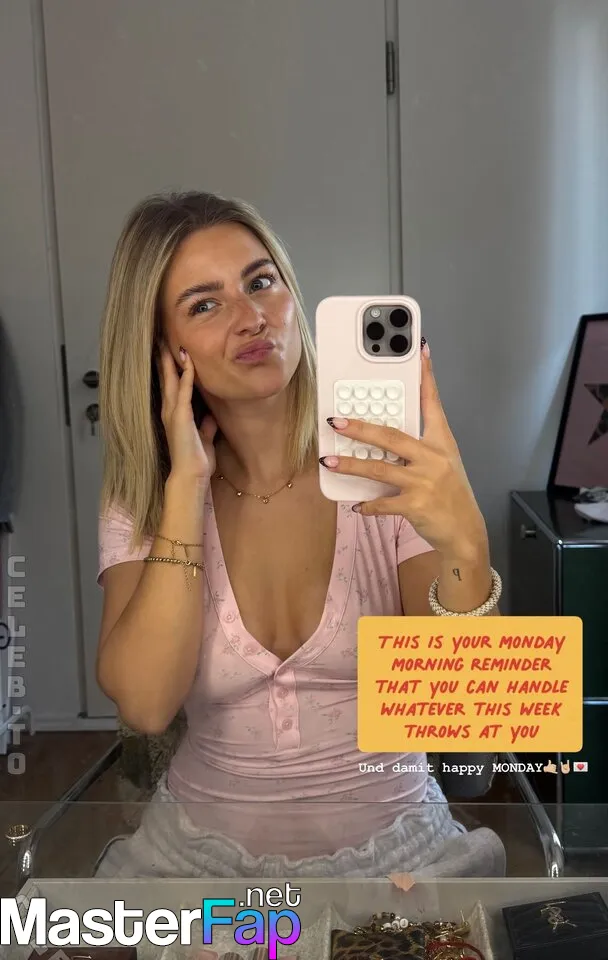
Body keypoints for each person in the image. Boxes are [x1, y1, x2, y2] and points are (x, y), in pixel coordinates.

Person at [93, 190, 505, 879]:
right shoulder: (143, 493)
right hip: (195, 866)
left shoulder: (383, 462)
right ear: (164, 350)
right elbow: (145, 704)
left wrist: (467, 545)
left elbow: (465, 725)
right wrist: (186, 491)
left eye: (261, 282)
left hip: (403, 855)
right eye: (205, 304)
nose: (252, 316)